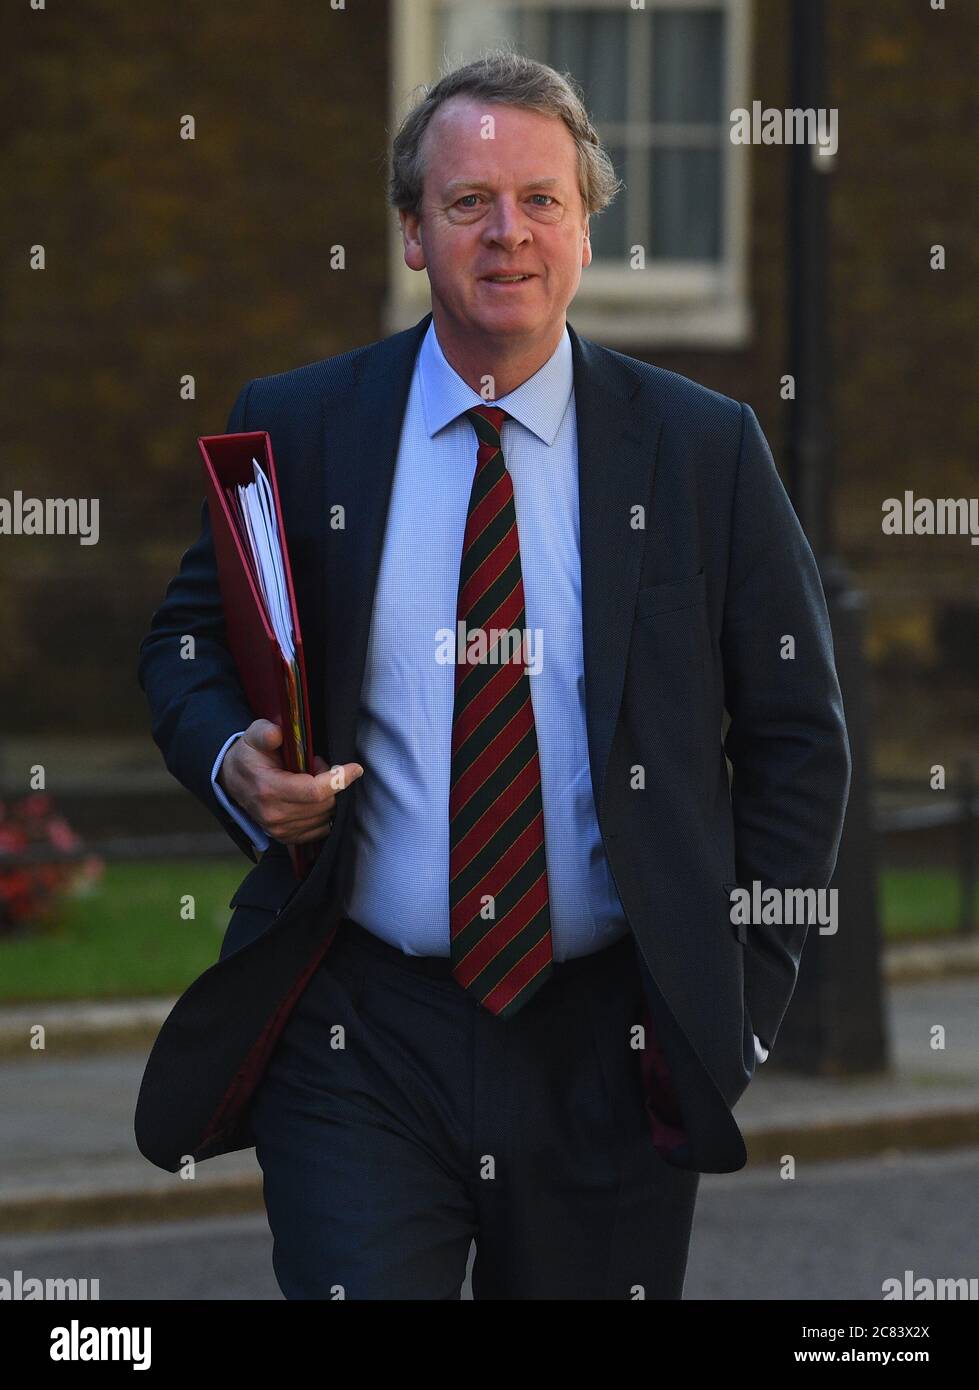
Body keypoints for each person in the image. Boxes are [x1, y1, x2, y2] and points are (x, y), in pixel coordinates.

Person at [135, 50, 851, 1300]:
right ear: (413, 233)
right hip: (359, 1032)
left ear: (586, 229)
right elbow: (184, 642)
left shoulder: (701, 452)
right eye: (467, 203)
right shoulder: (302, 430)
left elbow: (798, 737)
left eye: (540, 201)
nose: (506, 234)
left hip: (608, 1043)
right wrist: (231, 760)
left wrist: (731, 1003)